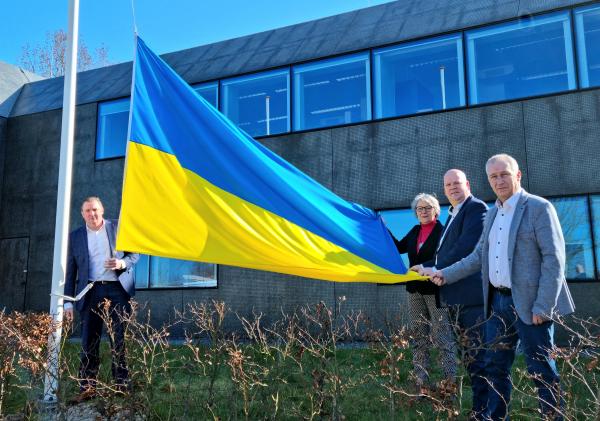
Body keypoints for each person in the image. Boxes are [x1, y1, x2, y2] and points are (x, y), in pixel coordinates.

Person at [430, 154, 575, 420]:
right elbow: (477, 257)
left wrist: (544, 305)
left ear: (517, 175)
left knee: (541, 368)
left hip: (531, 304)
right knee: (494, 367)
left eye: (504, 174)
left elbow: (554, 260)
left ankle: (553, 416)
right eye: (493, 177)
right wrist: (444, 274)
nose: (499, 181)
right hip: (496, 304)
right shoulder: (493, 212)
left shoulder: (538, 207)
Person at [412, 169, 488, 420]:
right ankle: (479, 409)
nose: (453, 187)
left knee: (476, 356)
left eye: (457, 183)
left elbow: (465, 248)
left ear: (467, 184)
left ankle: (483, 409)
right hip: (450, 294)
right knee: (469, 356)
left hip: (468, 295)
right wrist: (427, 267)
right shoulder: (454, 213)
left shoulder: (475, 209)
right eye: (448, 184)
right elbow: (443, 253)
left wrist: (434, 268)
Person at [64, 196, 139, 401]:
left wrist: (121, 263)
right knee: (89, 339)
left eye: (95, 209)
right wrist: (68, 302)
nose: (92, 214)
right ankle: (87, 387)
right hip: (90, 291)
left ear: (102, 210)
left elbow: (134, 255)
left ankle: (121, 384)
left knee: (119, 338)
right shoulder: (75, 236)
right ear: (82, 214)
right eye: (87, 210)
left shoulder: (118, 227)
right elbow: (71, 272)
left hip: (117, 288)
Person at [390, 193, 457, 395]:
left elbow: (447, 258)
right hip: (415, 291)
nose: (424, 211)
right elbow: (398, 247)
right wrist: (380, 228)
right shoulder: (414, 230)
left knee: (442, 337)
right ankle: (420, 384)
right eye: (420, 208)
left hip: (436, 291)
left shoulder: (443, 232)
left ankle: (449, 385)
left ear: (436, 210)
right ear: (416, 212)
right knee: (419, 337)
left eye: (428, 207)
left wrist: (426, 267)